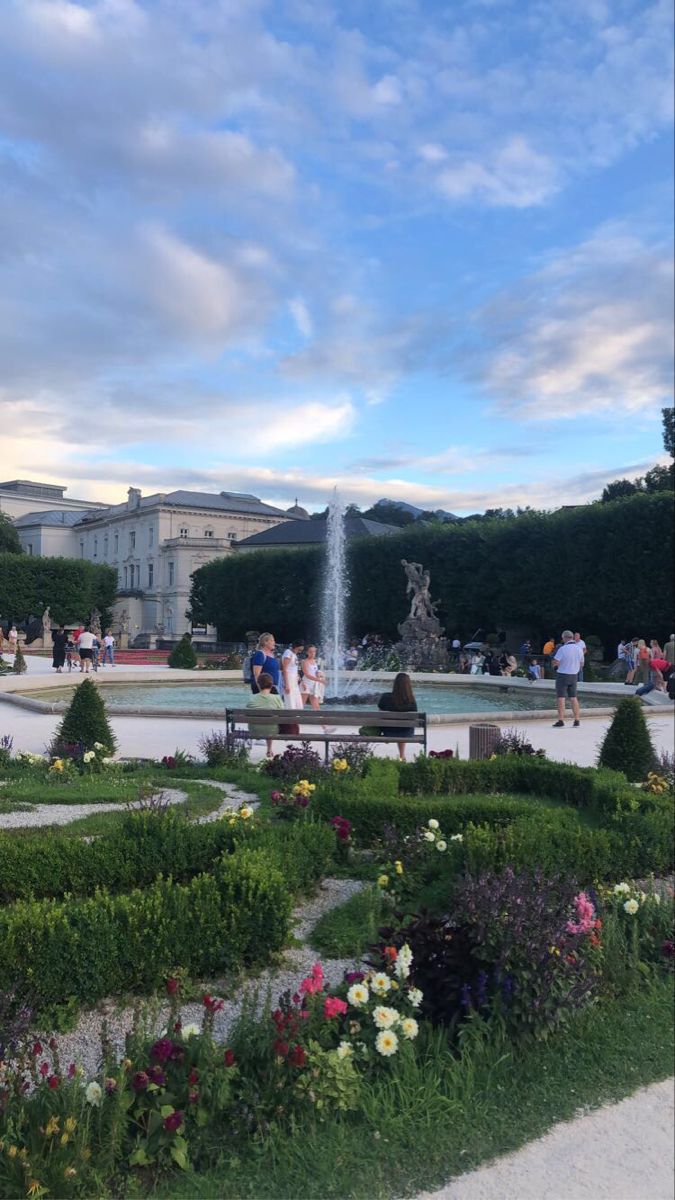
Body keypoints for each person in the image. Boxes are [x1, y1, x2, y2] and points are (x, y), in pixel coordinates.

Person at [378, 671, 418, 762]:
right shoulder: (411, 700)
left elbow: (380, 714)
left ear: (395, 684)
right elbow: (414, 717)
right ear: (408, 685)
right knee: (403, 727)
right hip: (406, 733)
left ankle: (399, 753)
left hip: (388, 732)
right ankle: (401, 756)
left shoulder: (385, 697)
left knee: (395, 726)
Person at [245, 672, 284, 757]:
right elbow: (281, 712)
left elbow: (247, 712)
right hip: (273, 730)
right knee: (270, 723)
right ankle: (269, 750)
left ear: (258, 684)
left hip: (254, 730)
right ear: (271, 685)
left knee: (264, 723)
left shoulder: (252, 697)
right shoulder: (277, 698)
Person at [552, 630, 585, 727]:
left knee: (561, 698)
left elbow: (556, 661)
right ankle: (577, 720)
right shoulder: (579, 649)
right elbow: (582, 664)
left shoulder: (563, 649)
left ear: (565, 638)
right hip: (574, 675)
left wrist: (555, 667)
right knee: (574, 698)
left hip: (562, 675)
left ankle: (561, 720)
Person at [300, 645, 326, 711]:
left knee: (316, 705)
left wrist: (318, 673)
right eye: (310, 652)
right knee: (301, 704)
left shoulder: (315, 661)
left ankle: (318, 720)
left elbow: (315, 671)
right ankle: (296, 720)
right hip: (306, 683)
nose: (312, 653)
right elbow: (307, 675)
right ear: (307, 652)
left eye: (314, 651)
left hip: (314, 684)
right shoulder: (304, 662)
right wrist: (319, 680)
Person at [281, 639, 304, 709]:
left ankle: (297, 719)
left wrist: (301, 680)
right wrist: (286, 684)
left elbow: (294, 669)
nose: (299, 652)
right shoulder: (288, 653)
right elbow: (285, 669)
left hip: (294, 682)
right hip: (289, 680)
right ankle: (291, 719)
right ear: (295, 646)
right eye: (299, 650)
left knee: (299, 704)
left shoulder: (294, 655)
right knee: (290, 703)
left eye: (301, 650)